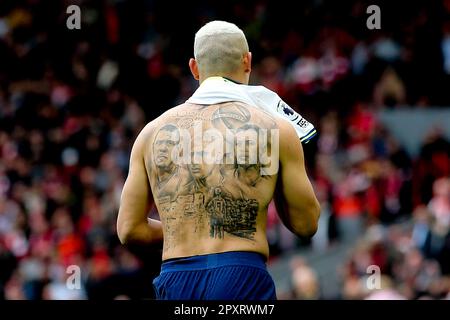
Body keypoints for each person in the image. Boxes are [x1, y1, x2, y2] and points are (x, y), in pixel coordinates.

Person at [117, 20, 320, 300]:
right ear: (247, 62)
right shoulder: (276, 128)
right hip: (242, 276)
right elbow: (306, 224)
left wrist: (185, 229)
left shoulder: (150, 134)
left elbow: (129, 229)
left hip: (177, 278)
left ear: (194, 68)